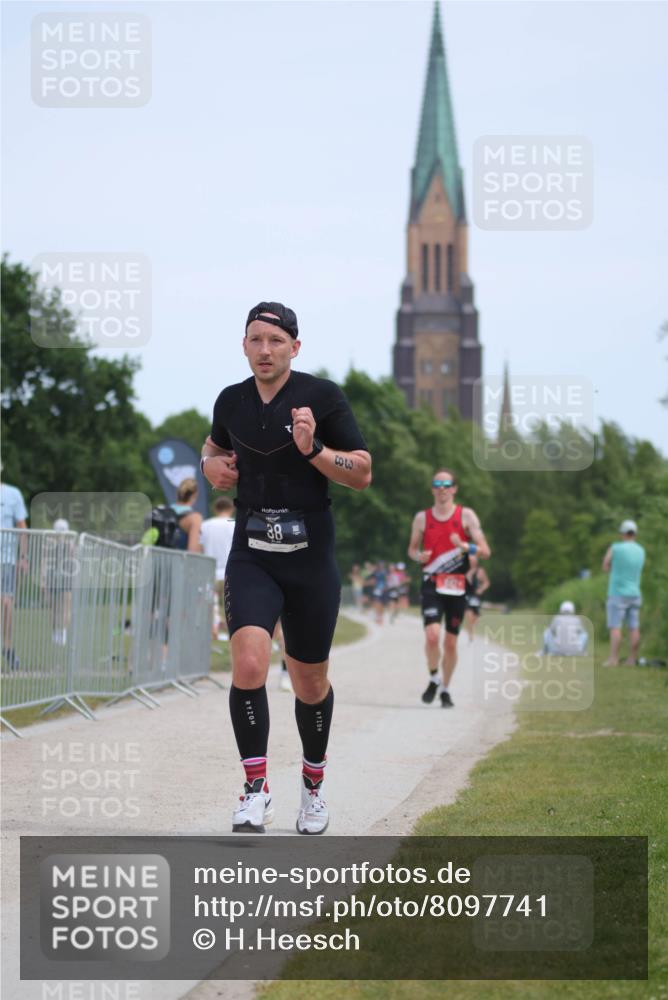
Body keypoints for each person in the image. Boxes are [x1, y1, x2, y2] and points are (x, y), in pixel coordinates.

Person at [200, 301, 371, 834]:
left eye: (276, 340)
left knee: (309, 683)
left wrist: (314, 449)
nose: (265, 349)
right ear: (244, 345)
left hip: (310, 559)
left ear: (295, 347)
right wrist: (209, 465)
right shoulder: (231, 400)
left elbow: (361, 472)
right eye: (256, 339)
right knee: (248, 664)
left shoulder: (322, 398)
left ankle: (313, 787)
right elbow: (214, 445)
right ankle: (256, 789)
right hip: (253, 553)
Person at [408, 468, 490, 707]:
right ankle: (434, 677)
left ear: (454, 488)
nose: (442, 488)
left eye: (446, 484)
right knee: (433, 636)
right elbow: (412, 549)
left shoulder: (467, 516)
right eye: (437, 484)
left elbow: (485, 551)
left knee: (450, 643)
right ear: (432, 489)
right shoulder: (422, 518)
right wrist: (417, 556)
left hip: (457, 586)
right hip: (432, 582)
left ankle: (445, 688)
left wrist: (465, 546)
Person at [602, 519, 646, 666]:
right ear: (635, 534)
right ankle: (632, 659)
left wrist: (612, 568)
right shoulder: (641, 550)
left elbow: (605, 565)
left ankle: (613, 659)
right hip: (635, 592)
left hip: (617, 593)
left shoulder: (615, 548)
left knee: (615, 626)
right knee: (634, 627)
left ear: (622, 533)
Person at [1, 468, 28, 671]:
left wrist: (24, 556)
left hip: (5, 560)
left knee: (7, 603)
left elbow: (21, 525)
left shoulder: (13, 493)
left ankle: (8, 648)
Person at [200, 496, 236, 640]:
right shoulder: (235, 524)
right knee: (231, 604)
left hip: (211, 570)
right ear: (231, 509)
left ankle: (214, 628)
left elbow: (200, 547)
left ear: (215, 509)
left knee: (213, 604)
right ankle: (232, 630)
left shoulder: (205, 525)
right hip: (230, 570)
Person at [171, 478, 203, 553]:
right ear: (195, 495)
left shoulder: (164, 512)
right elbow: (192, 551)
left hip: (159, 561)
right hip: (178, 562)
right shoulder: (194, 518)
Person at [464, 560, 490, 642]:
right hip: (467, 596)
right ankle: (471, 635)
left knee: (476, 618)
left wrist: (481, 589)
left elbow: (486, 583)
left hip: (476, 598)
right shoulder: (464, 570)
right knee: (469, 616)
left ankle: (471, 629)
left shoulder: (480, 571)